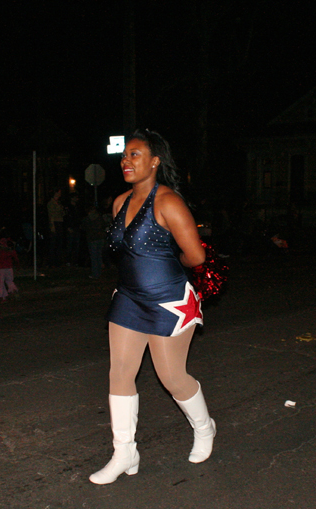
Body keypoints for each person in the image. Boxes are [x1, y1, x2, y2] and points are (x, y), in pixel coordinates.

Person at [89, 129, 213, 485]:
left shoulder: (168, 202)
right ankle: (125, 451)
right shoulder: (119, 202)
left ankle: (205, 428)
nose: (126, 161)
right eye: (125, 156)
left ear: (155, 160)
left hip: (169, 302)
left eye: (136, 155)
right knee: (119, 373)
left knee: (172, 377)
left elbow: (196, 255)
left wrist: (162, 273)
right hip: (128, 299)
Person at [80, 204, 107, 279]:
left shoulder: (87, 219)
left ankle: (95, 274)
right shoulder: (99, 218)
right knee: (98, 255)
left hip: (92, 239)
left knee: (94, 257)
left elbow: (83, 227)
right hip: (100, 238)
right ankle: (99, 272)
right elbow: (104, 225)